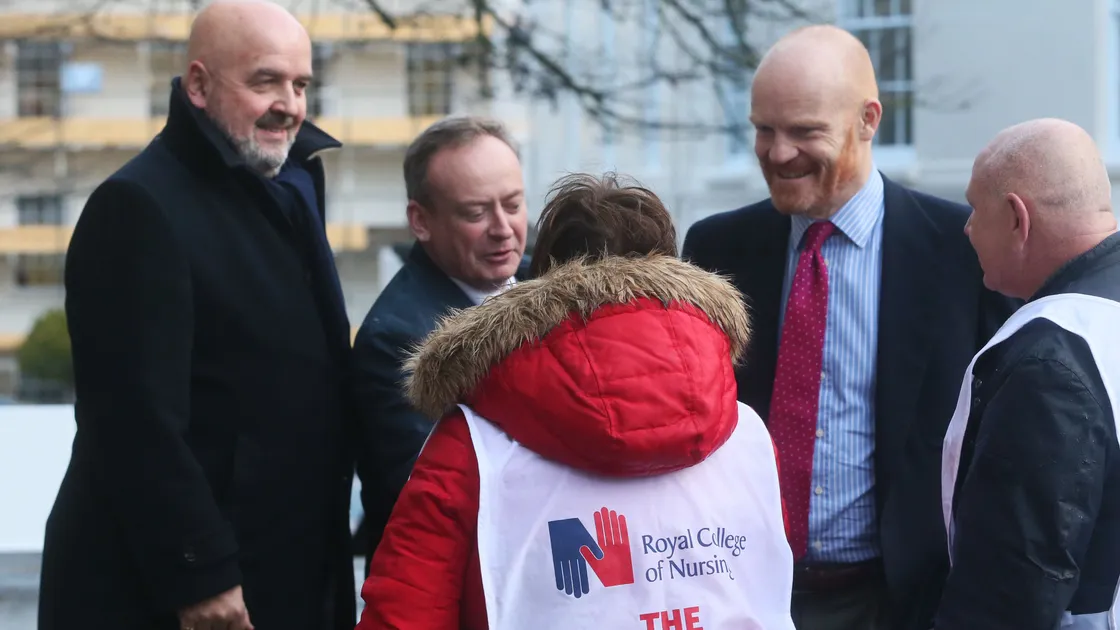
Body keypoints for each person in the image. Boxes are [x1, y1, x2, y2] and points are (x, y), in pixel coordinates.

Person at [681, 25, 1019, 630]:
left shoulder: (961, 251)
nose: (778, 153)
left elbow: (1006, 437)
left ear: (868, 120)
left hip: (903, 602)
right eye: (763, 129)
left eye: (804, 131)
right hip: (737, 590)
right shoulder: (717, 248)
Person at [355, 173, 796, 630]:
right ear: (676, 278)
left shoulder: (471, 445)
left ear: (539, 289)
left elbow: (404, 613)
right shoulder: (747, 436)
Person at [38, 2, 357, 629]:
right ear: (199, 86)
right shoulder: (136, 207)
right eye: (265, 81)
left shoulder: (289, 184)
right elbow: (130, 421)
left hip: (283, 566)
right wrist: (200, 572)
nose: (290, 105)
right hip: (179, 593)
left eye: (300, 85)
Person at [938, 118, 1120, 629]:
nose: (967, 228)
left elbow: (1010, 588)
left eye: (976, 209)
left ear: (1018, 218)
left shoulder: (1050, 361)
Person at [351, 115, 531, 568]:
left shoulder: (551, 279)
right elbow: (434, 501)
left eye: (513, 204)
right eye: (476, 213)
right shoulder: (396, 339)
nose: (503, 228)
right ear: (421, 220)